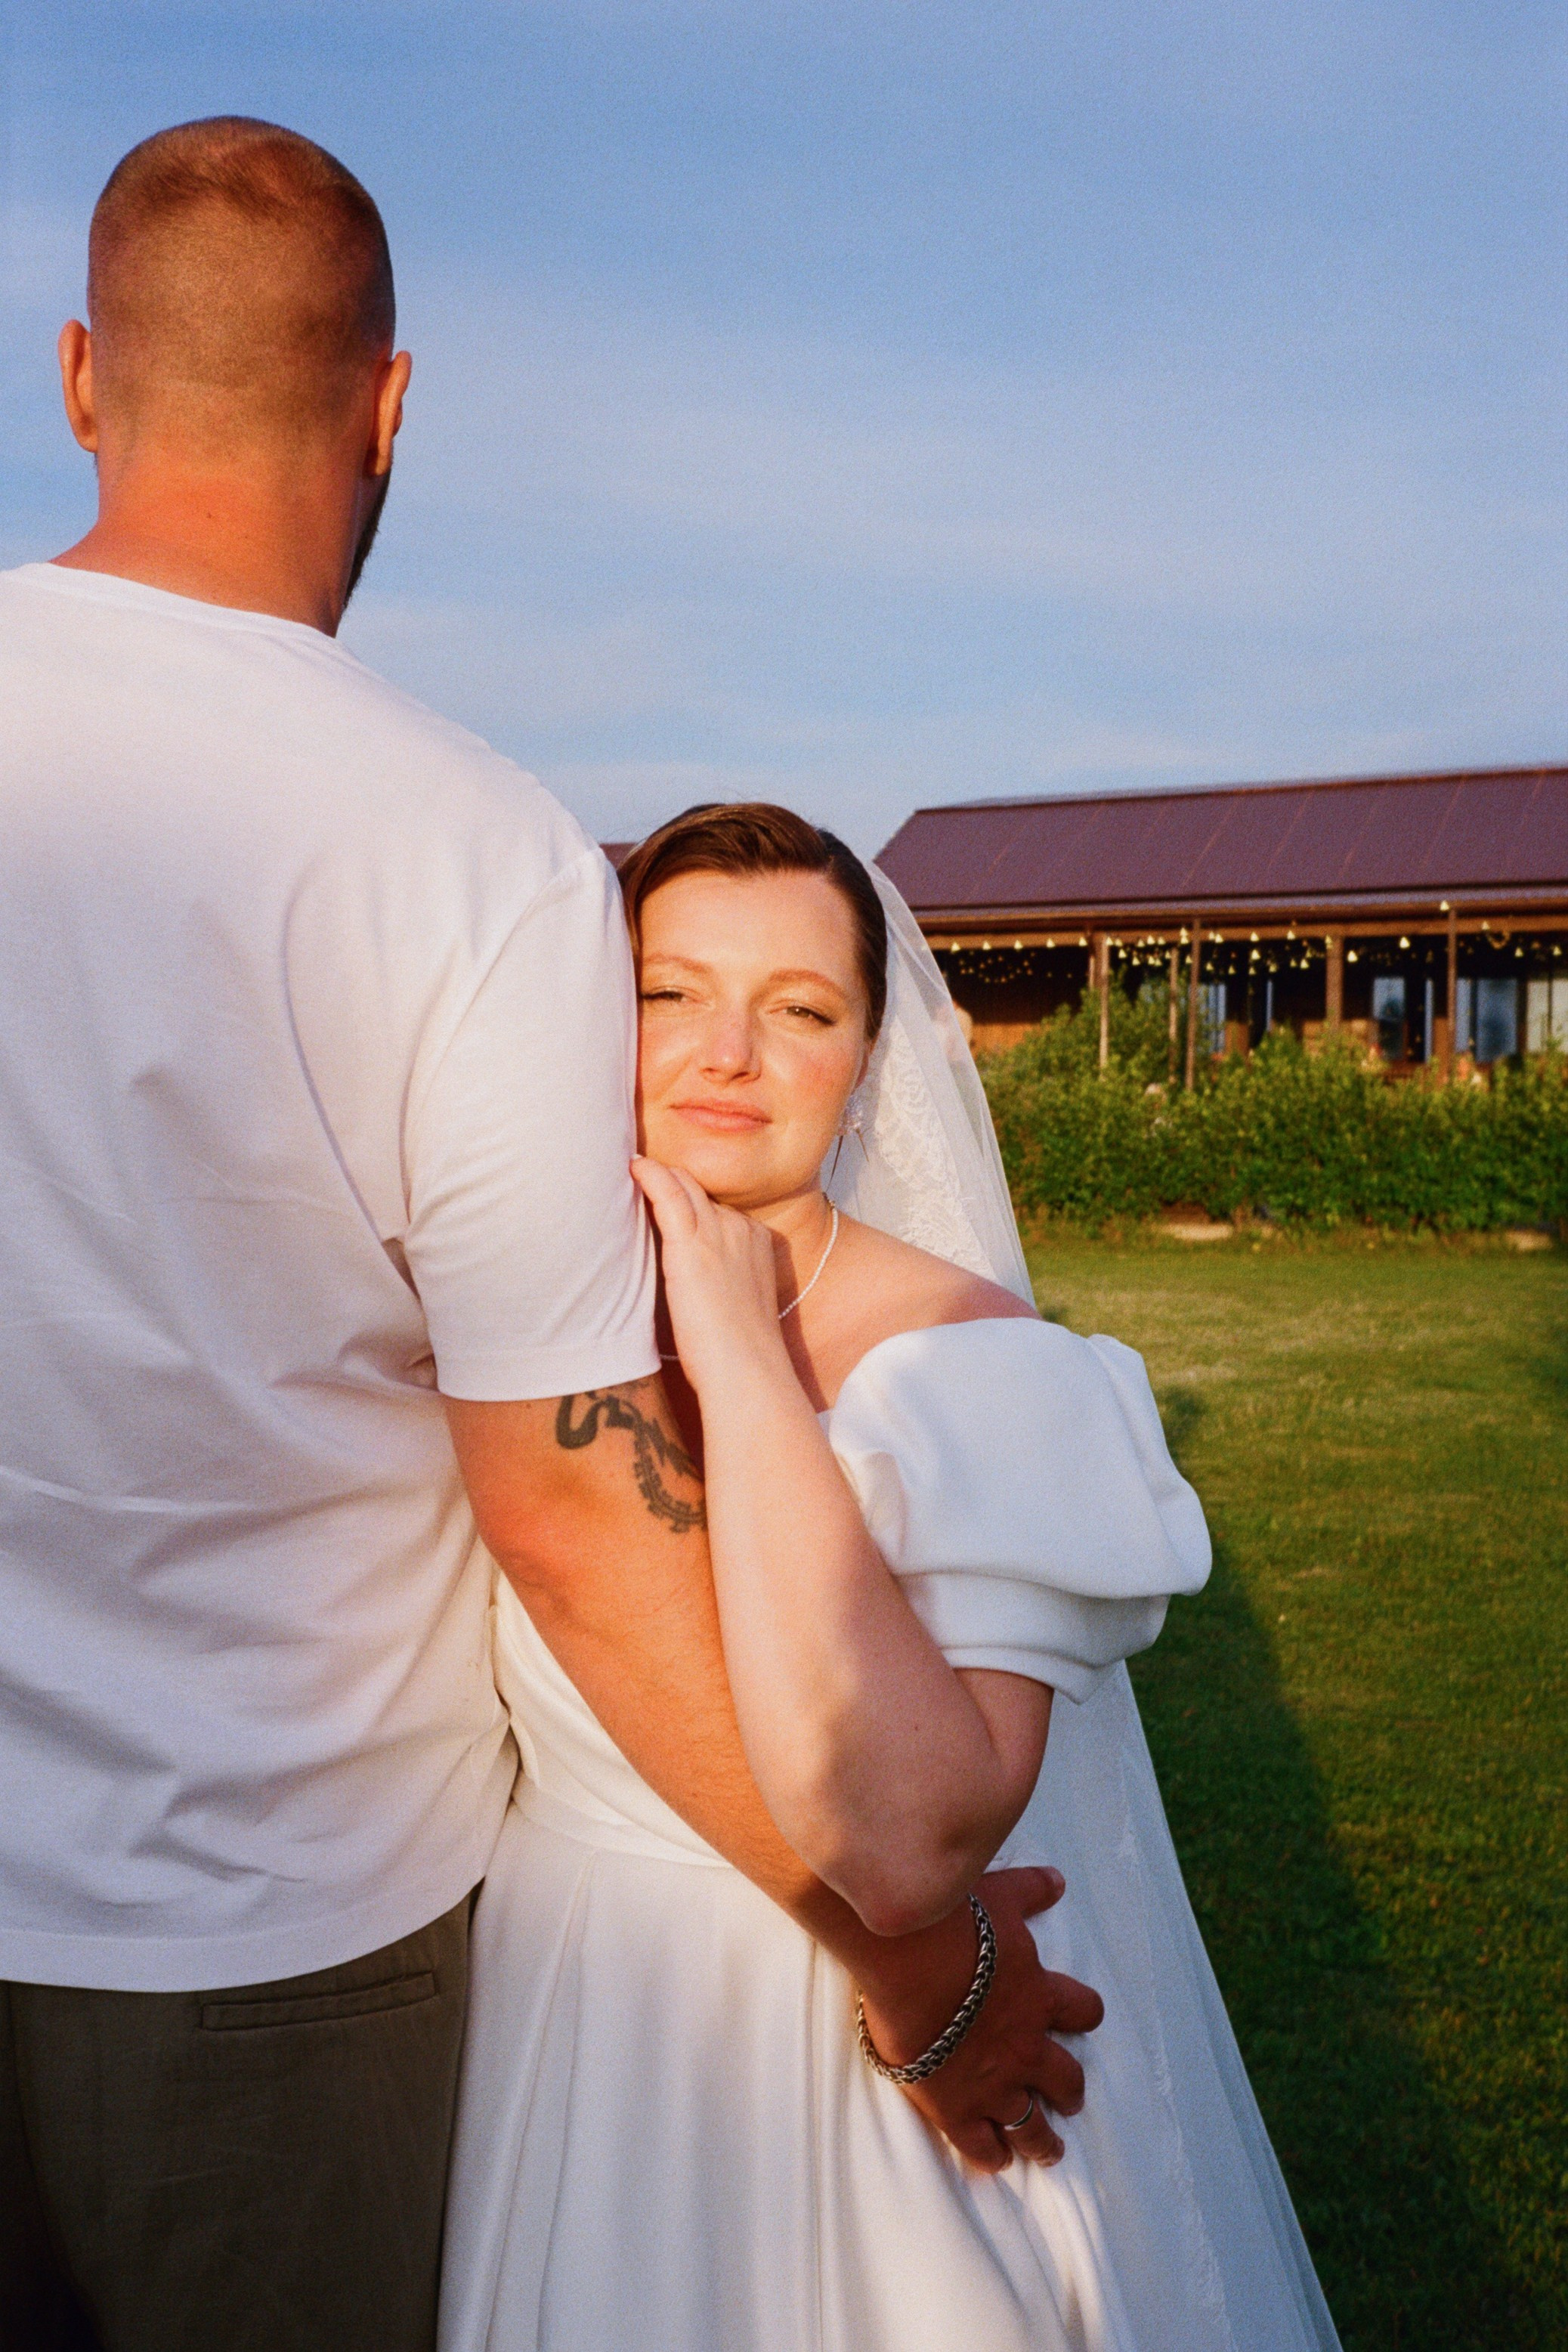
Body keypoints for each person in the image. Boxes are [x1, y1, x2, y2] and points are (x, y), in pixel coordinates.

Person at [0, 122, 1099, 2352]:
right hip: (271, 1953)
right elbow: (579, 1511)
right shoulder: (465, 850)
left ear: (80, 375)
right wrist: (917, 1962)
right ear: (391, 406)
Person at [439, 804, 1343, 2352]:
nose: (728, 1048)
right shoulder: (504, 1326)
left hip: (869, 2065)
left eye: (798, 1010)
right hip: (582, 1999)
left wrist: (736, 1343)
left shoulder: (986, 1367)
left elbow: (919, 1836)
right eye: (670, 993)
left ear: (865, 1060)